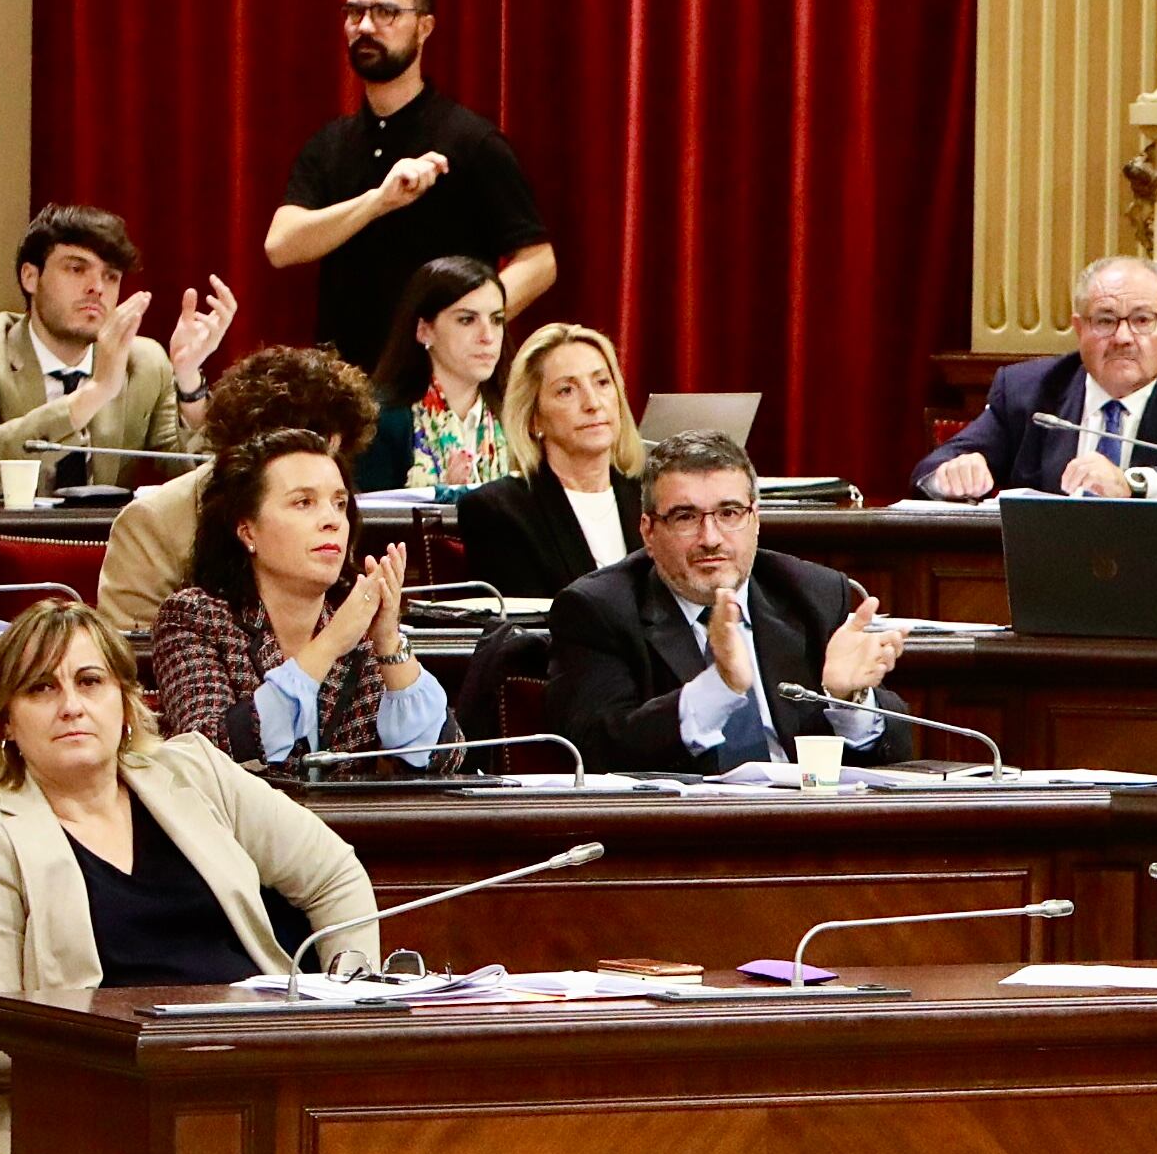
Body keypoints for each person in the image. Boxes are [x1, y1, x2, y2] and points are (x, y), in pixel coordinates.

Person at [0, 602, 378, 1154]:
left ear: (124, 700)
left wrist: (345, 996)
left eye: (89, 682)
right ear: (6, 720)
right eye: (41, 688)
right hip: (104, 1111)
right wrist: (135, 1041)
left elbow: (335, 876)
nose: (71, 706)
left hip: (262, 1074)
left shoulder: (194, 773)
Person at [546, 430, 909, 775]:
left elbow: (896, 752)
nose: (711, 538)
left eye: (729, 513)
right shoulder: (598, 609)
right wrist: (720, 688)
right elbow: (595, 750)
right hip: (681, 831)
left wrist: (847, 700)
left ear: (755, 520)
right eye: (685, 517)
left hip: (802, 822)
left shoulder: (813, 594)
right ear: (648, 531)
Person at [265, 0, 556, 371]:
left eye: (386, 13)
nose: (365, 27)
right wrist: (378, 202)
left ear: (424, 27)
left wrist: (469, 327)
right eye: (355, 13)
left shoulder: (471, 140)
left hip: (440, 383)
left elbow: (539, 262)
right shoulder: (329, 144)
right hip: (347, 386)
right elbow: (281, 246)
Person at [147, 430, 458, 778]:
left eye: (339, 504)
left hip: (355, 830)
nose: (332, 520)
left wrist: (388, 642)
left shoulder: (361, 627)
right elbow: (211, 751)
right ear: (247, 530)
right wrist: (330, 644)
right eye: (303, 503)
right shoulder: (194, 618)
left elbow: (442, 761)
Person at [0, 205, 236, 500]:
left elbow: (200, 477)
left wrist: (188, 379)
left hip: (96, 551)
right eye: (76, 269)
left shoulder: (144, 363)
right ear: (30, 277)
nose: (96, 287)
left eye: (110, 276)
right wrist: (96, 393)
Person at [912, 256, 1157, 499]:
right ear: (1079, 329)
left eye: (1142, 320)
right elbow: (932, 468)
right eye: (1105, 321)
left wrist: (1131, 484)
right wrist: (953, 473)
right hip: (1044, 574)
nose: (1122, 337)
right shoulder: (1027, 390)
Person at [96, 345, 382, 630]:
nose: (330, 516)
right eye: (304, 500)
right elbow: (131, 659)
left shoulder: (337, 519)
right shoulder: (152, 522)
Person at [458, 321, 646, 598]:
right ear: (534, 418)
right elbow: (524, 633)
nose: (593, 403)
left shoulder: (652, 498)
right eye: (567, 390)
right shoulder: (498, 512)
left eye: (602, 382)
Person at [356, 256, 514, 495]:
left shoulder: (518, 416)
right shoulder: (382, 420)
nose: (488, 336)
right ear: (424, 331)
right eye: (467, 320)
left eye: (496, 320)